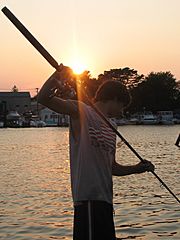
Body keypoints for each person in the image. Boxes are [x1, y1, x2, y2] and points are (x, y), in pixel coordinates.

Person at [37, 64, 155, 240]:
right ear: (114, 99)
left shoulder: (112, 127)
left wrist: (137, 168)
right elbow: (43, 98)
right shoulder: (81, 111)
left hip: (106, 202)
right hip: (88, 201)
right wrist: (58, 75)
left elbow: (112, 167)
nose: (121, 113)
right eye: (122, 106)